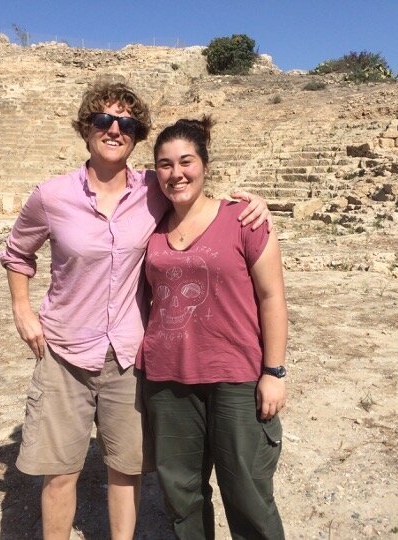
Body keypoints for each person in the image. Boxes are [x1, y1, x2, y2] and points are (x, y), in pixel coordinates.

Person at [0, 82, 272, 539]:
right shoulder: (50, 196)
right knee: (60, 471)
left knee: (125, 470)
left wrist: (250, 203)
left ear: (136, 134)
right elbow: (17, 253)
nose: (114, 129)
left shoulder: (152, 187)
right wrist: (22, 308)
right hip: (65, 351)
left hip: (128, 353)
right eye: (104, 120)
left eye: (126, 123)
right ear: (87, 128)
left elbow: (194, 191)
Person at [138, 116, 288, 539]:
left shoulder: (244, 219)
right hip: (167, 379)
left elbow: (271, 298)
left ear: (205, 164)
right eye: (164, 165)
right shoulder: (149, 227)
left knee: (248, 493)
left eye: (186, 161)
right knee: (180, 494)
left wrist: (274, 372)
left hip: (235, 377)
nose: (176, 173)